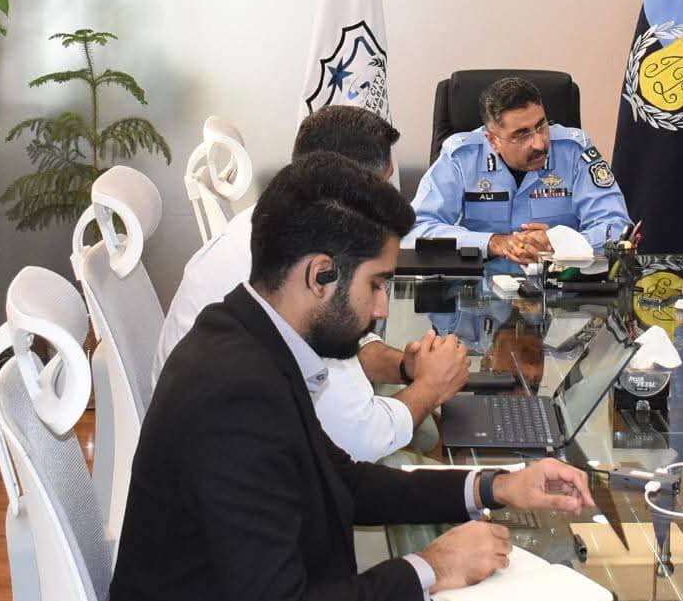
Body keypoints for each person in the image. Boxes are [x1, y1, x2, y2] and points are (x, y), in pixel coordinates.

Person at [108, 152, 596, 601]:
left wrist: (495, 486)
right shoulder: (235, 394)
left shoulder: (246, 337)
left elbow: (342, 480)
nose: (383, 308)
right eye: (376, 284)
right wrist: (431, 566)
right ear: (320, 275)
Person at [154, 106, 466, 461]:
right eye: (383, 186)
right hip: (229, 460)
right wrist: (431, 386)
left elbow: (337, 355)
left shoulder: (276, 223)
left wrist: (404, 367)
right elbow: (362, 440)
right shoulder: (306, 263)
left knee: (427, 434)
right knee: (427, 451)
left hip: (218, 437)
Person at [409, 76, 631, 265]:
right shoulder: (461, 156)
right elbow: (415, 229)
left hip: (560, 289)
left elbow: (618, 228)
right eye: (522, 135)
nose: (539, 143)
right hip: (480, 291)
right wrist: (493, 242)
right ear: (493, 141)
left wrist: (560, 242)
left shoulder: (574, 150)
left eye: (541, 126)